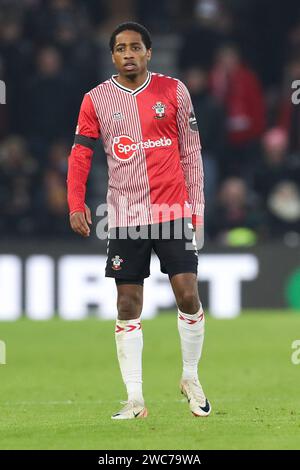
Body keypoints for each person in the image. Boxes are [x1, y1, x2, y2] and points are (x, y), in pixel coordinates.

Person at [67, 22, 211, 420]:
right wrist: (75, 203)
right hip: (126, 216)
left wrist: (196, 211)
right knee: (128, 303)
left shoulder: (174, 91)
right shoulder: (95, 99)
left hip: (173, 211)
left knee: (187, 294)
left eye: (135, 47)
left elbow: (191, 155)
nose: (128, 53)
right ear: (112, 55)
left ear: (149, 52)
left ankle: (190, 377)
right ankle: (134, 399)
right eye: (120, 48)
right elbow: (80, 154)